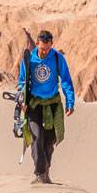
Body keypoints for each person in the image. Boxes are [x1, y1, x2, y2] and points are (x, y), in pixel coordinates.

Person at [17, 30, 75, 184]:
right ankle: (39, 173)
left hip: (52, 104)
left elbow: (66, 80)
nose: (45, 52)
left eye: (48, 49)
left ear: (51, 45)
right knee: (36, 138)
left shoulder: (57, 58)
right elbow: (22, 82)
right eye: (43, 49)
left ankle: (45, 171)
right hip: (34, 104)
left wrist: (70, 102)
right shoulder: (29, 60)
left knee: (49, 142)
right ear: (37, 44)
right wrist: (22, 100)